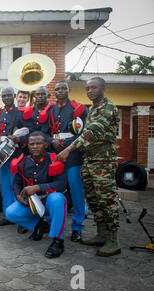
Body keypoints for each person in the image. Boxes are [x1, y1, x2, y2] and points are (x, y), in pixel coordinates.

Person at [56, 77, 121, 257]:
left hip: (103, 160)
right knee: (93, 198)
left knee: (107, 199)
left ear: (103, 88)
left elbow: (92, 132)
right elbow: (84, 132)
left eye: (93, 88)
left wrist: (69, 149)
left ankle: (113, 240)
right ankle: (101, 234)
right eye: (87, 88)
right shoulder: (92, 109)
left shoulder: (108, 108)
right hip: (90, 160)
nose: (89, 91)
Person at [5, 131, 68, 258]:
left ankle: (58, 241)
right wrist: (18, 195)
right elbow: (17, 181)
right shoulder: (23, 162)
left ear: (45, 145)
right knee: (10, 212)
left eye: (38, 143)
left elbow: (62, 184)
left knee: (58, 199)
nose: (35, 146)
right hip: (32, 202)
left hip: (49, 201)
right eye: (32, 144)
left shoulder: (54, 159)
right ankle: (40, 226)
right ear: (28, 145)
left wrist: (38, 187)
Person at [48, 80, 88, 242]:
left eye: (64, 88)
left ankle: (77, 227)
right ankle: (52, 222)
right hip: (54, 153)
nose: (61, 91)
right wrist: (51, 140)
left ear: (69, 89)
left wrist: (68, 145)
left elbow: (83, 132)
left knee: (76, 190)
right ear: (54, 91)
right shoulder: (51, 109)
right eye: (58, 89)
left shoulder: (78, 108)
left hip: (73, 154)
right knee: (54, 189)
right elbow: (43, 131)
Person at [0, 88, 25, 228]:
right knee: (5, 186)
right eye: (3, 95)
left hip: (15, 154)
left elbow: (28, 132)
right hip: (1, 153)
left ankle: (18, 215)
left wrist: (19, 139)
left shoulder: (21, 112)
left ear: (13, 96)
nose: (6, 98)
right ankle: (8, 214)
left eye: (8, 95)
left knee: (15, 185)